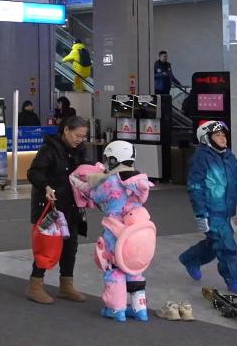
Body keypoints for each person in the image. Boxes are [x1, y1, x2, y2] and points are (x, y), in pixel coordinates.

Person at [70, 141, 155, 322]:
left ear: (114, 159)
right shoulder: (139, 179)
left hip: (115, 229)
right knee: (134, 267)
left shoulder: (112, 181)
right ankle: (140, 309)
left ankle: (117, 310)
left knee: (113, 267)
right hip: (137, 230)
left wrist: (79, 183)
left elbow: (95, 195)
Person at [179, 121, 237, 294]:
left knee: (215, 243)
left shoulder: (230, 157)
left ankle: (190, 258)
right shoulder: (200, 158)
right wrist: (201, 213)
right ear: (206, 138)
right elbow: (195, 186)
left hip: (226, 210)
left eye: (223, 135)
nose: (223, 138)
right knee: (226, 245)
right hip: (211, 210)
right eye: (217, 135)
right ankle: (235, 280)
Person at [25, 115, 90, 304]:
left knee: (71, 246)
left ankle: (66, 284)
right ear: (66, 130)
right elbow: (34, 172)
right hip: (50, 206)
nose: (80, 140)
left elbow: (87, 170)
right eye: (77, 135)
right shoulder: (49, 149)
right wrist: (45, 187)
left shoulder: (80, 150)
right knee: (47, 245)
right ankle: (35, 285)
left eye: (83, 136)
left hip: (72, 205)